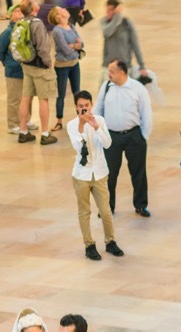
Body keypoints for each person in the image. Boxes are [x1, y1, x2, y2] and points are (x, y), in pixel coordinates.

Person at [68, 90, 123, 261]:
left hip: (99, 172)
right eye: (81, 106)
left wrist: (96, 127)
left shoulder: (99, 120)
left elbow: (107, 144)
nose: (84, 109)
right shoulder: (72, 125)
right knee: (84, 211)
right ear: (76, 108)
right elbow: (79, 148)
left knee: (105, 210)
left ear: (91, 104)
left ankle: (110, 241)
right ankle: (89, 245)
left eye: (87, 105)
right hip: (81, 175)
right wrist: (82, 126)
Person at [94, 60, 153, 217]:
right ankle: (108, 207)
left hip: (134, 135)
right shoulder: (106, 87)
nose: (109, 73)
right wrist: (98, 132)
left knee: (138, 172)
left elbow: (146, 113)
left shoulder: (137, 88)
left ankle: (140, 205)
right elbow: (98, 109)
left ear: (122, 72)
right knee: (110, 173)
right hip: (112, 136)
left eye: (112, 71)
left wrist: (143, 136)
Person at [16, 0, 58, 146]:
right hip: (40, 66)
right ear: (34, 9)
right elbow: (43, 47)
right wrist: (48, 63)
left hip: (26, 66)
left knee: (25, 97)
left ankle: (23, 131)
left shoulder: (20, 22)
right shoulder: (37, 23)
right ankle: (45, 133)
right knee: (43, 99)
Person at [99, 0, 148, 87]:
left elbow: (135, 45)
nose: (107, 12)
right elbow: (107, 33)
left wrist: (142, 66)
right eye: (106, 9)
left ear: (116, 10)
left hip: (125, 68)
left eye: (110, 10)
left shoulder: (127, 23)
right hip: (108, 67)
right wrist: (117, 17)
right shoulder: (104, 22)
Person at [50, 7, 82, 134]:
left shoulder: (71, 25)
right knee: (61, 94)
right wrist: (75, 46)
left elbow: (81, 44)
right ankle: (59, 121)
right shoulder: (57, 31)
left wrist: (73, 46)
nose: (65, 9)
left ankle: (82, 118)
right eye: (61, 9)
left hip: (74, 64)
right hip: (62, 66)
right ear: (58, 16)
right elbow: (65, 50)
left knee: (77, 93)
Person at [0, 3, 26, 135]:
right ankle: (13, 124)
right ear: (10, 15)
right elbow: (0, 51)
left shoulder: (26, 29)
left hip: (25, 69)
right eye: (17, 11)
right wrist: (8, 63)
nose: (20, 14)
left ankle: (26, 119)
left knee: (26, 97)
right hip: (13, 70)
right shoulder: (7, 33)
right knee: (14, 99)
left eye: (22, 12)